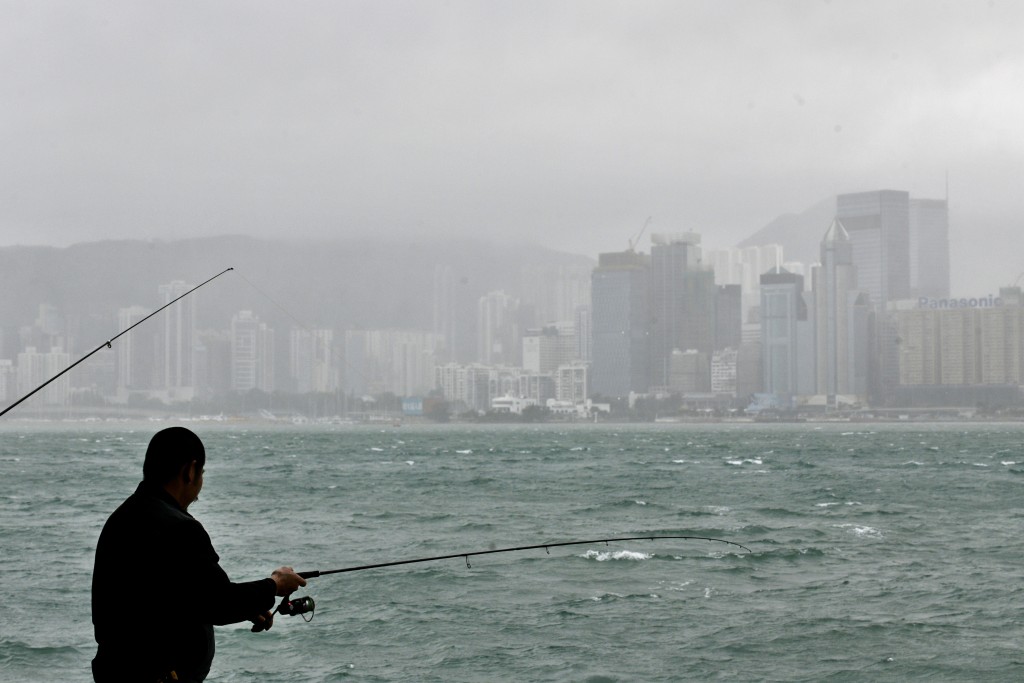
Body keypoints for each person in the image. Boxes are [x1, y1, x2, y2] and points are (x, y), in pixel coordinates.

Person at [91, 426, 307, 682]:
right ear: (190, 471)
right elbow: (219, 602)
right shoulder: (180, 528)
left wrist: (249, 605)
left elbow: (167, 597)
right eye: (202, 472)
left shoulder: (121, 519)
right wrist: (275, 585)